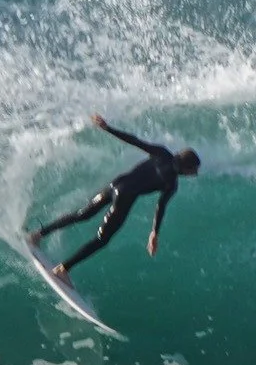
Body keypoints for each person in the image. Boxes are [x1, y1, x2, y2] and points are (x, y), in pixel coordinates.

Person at [29, 114, 199, 280]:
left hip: (116, 184)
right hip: (124, 197)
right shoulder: (171, 183)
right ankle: (62, 269)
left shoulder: (162, 153)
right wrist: (154, 232)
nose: (194, 174)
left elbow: (134, 140)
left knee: (82, 214)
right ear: (186, 167)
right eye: (193, 171)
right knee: (102, 239)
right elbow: (160, 207)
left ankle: (38, 234)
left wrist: (107, 128)